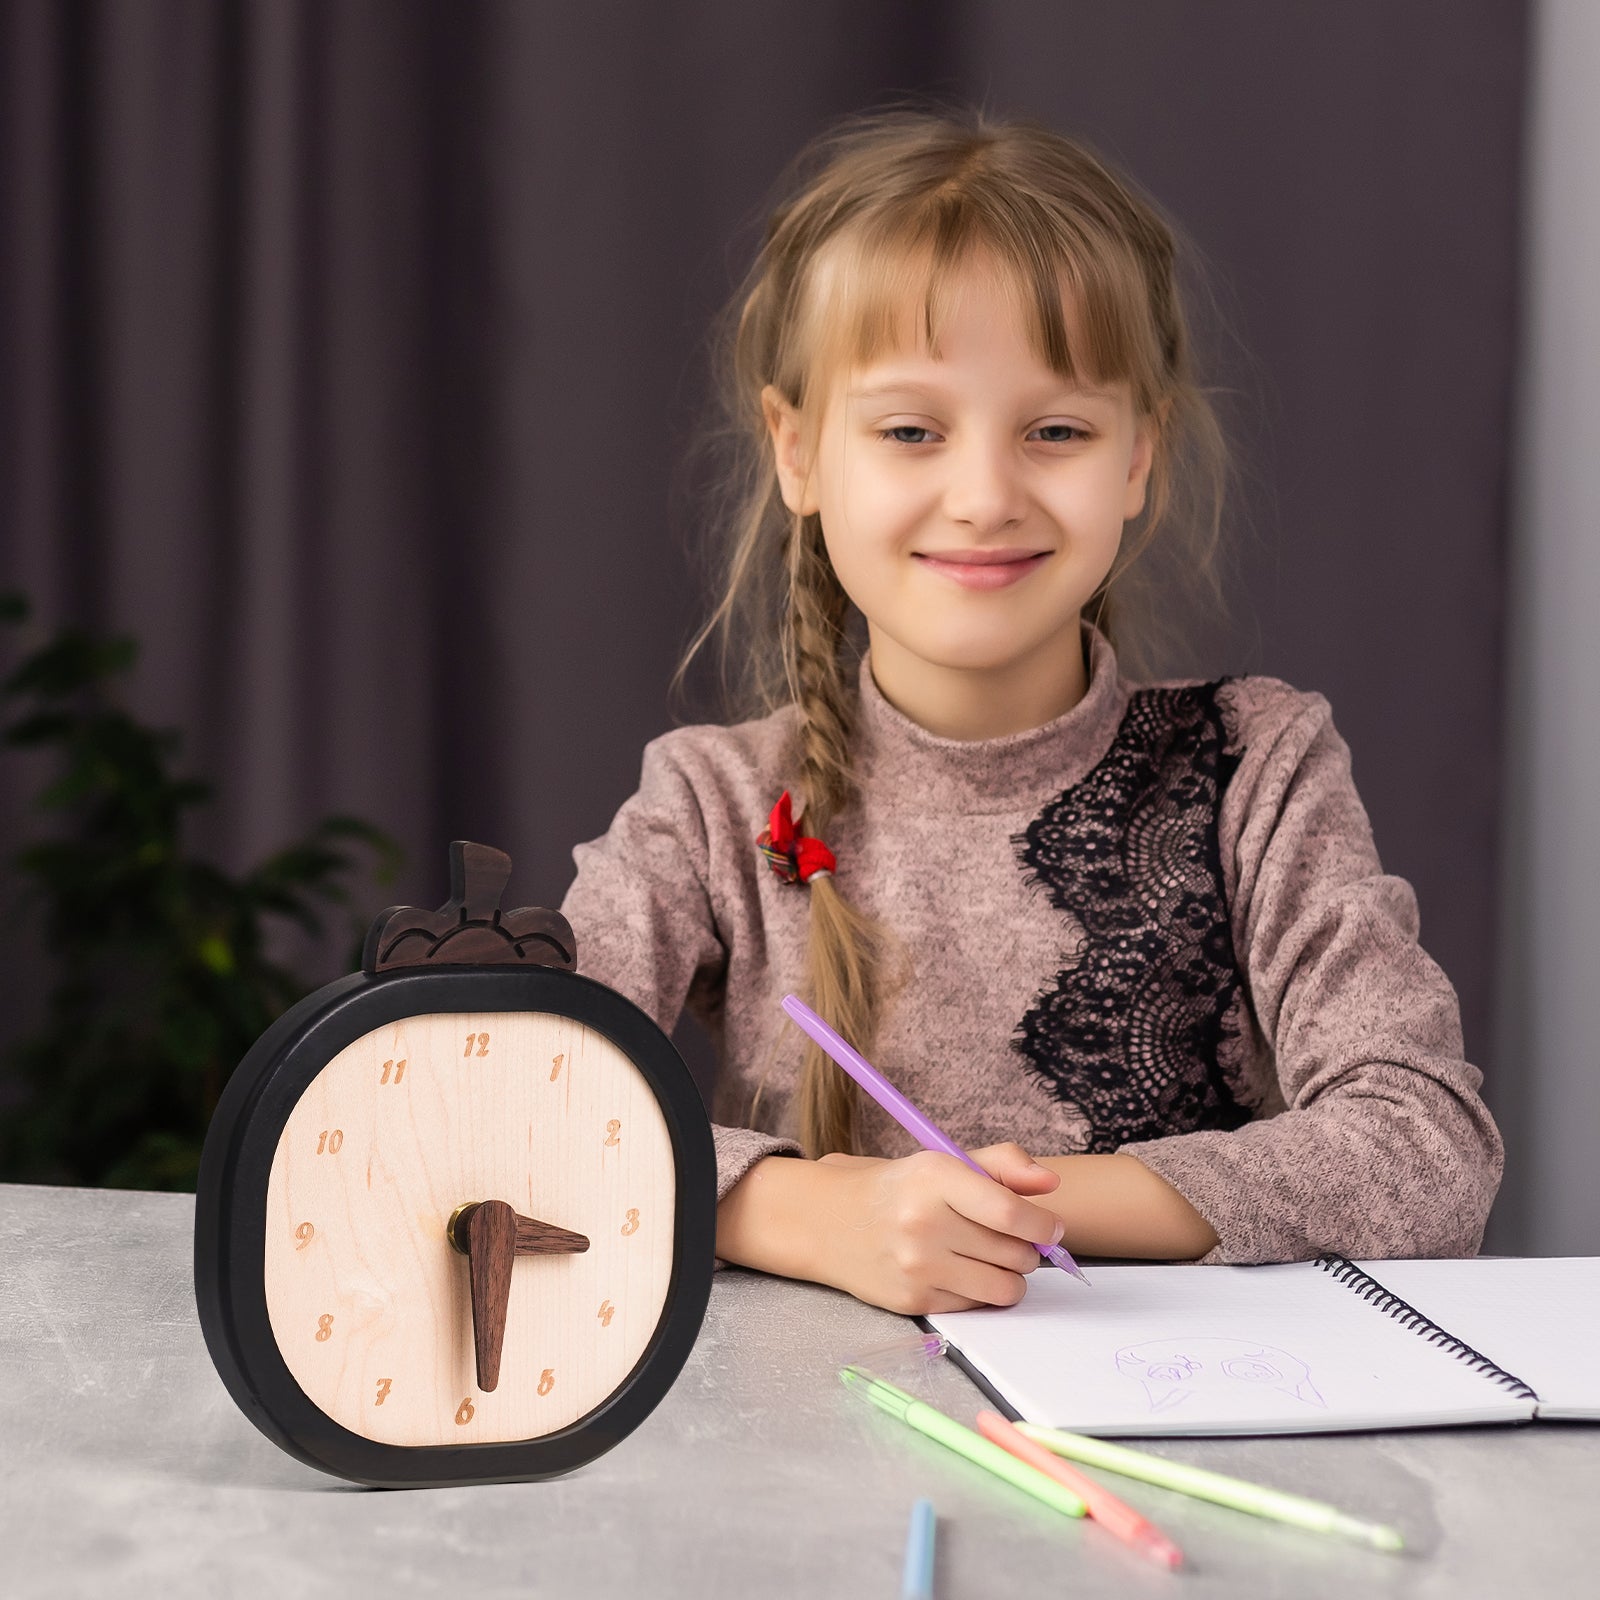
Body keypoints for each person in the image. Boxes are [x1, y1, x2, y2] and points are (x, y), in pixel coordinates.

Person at [558, 104, 1503, 1316]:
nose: (984, 494)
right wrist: (812, 1214)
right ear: (796, 449)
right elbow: (520, 1113)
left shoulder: (1257, 763)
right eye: (910, 430)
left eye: (1054, 430)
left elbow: (1428, 1147)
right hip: (806, 1452)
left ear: (1135, 458)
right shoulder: (710, 804)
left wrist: (1020, 1205)